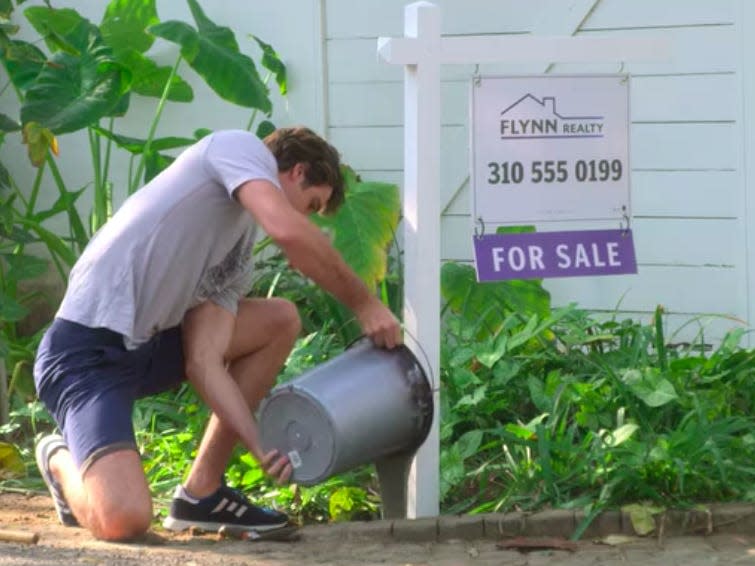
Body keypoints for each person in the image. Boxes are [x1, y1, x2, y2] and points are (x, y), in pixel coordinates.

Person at [32, 127, 402, 542]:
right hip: (85, 355)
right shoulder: (236, 148)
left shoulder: (237, 251)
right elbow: (289, 231)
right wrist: (366, 305)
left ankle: (201, 493)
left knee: (279, 318)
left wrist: (258, 443)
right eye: (310, 204)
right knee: (125, 519)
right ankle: (58, 460)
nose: (305, 218)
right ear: (297, 171)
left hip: (146, 351)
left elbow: (204, 362)